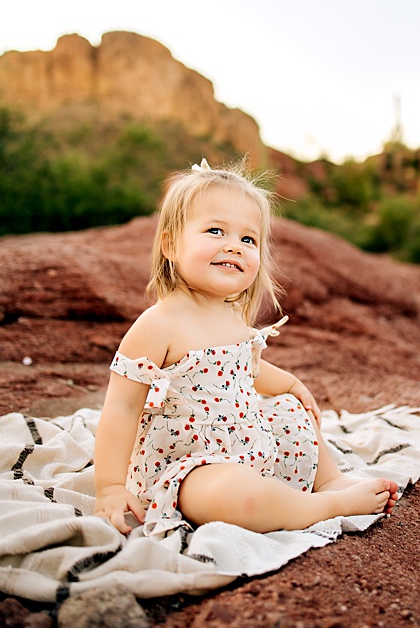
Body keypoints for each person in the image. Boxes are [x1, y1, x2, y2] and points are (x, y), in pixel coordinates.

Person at [93, 158, 400, 538]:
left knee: (290, 412)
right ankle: (322, 507)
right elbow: (122, 405)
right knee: (235, 496)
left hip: (247, 442)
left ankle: (330, 482)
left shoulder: (232, 316)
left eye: (248, 239)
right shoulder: (159, 323)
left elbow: (246, 370)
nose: (234, 247)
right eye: (216, 230)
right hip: (192, 463)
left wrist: (289, 385)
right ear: (171, 245)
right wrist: (109, 486)